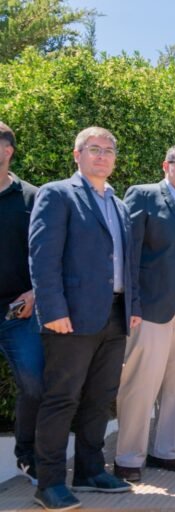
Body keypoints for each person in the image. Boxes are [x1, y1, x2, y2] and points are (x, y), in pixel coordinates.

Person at [29, 127, 140, 510]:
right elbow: (42, 258)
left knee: (100, 397)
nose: (102, 156)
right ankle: (49, 482)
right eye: (94, 149)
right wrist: (53, 310)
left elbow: (126, 263)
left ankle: (91, 470)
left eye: (109, 150)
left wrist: (133, 307)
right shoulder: (58, 194)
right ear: (76, 154)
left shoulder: (119, 204)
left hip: (114, 314)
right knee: (62, 398)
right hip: (71, 318)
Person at [114, 144, 175, 482]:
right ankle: (127, 457)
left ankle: (164, 451)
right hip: (151, 306)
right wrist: (132, 304)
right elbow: (129, 254)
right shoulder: (143, 195)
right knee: (141, 381)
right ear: (165, 164)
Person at [0, 121, 44, 484]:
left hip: (18, 312)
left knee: (35, 384)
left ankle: (27, 457)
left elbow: (46, 254)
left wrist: (34, 293)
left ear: (8, 149)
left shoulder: (32, 197)